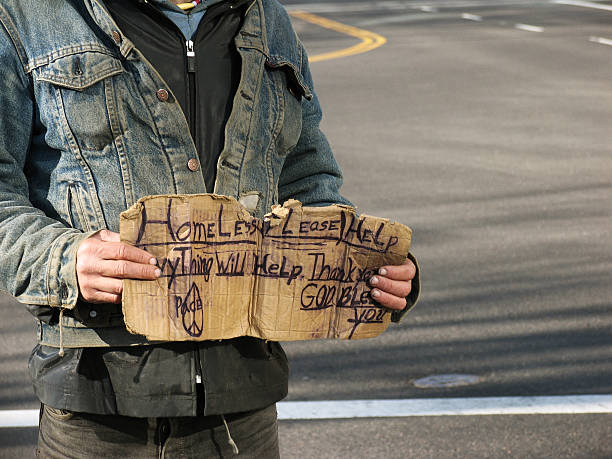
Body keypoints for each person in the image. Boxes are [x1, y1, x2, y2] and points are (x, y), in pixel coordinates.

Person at [0, 0, 419, 457]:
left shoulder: (267, 18)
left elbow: (306, 178)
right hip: (96, 402)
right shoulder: (28, 14)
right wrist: (65, 260)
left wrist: (368, 267)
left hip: (242, 407)